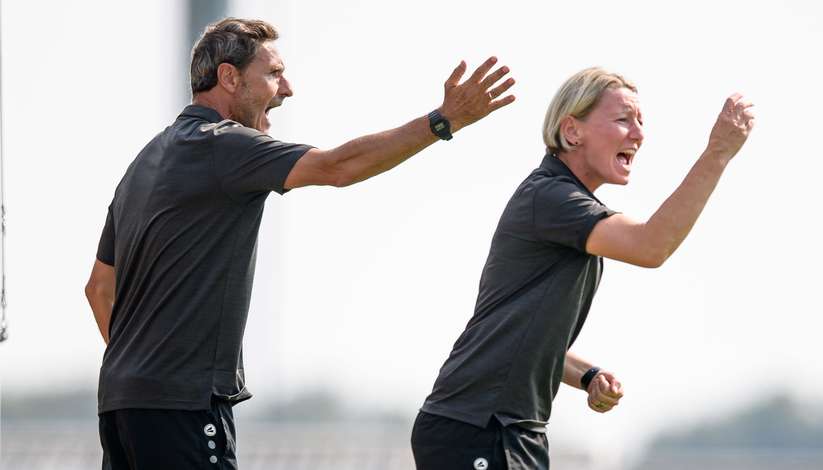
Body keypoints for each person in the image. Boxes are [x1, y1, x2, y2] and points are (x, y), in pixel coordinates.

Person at [84, 17, 515, 470]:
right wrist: (442, 121)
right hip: (181, 407)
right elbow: (337, 167)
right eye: (273, 74)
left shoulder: (144, 161)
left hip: (121, 406)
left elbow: (98, 289)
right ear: (228, 78)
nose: (287, 87)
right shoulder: (224, 144)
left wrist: (143, 372)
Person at [411, 67, 755, 469]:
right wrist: (717, 153)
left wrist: (586, 375)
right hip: (475, 425)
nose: (639, 134)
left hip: (509, 430)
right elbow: (651, 246)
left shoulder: (563, 204)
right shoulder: (551, 197)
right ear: (572, 131)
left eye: (641, 122)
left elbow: (523, 336)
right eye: (624, 119)